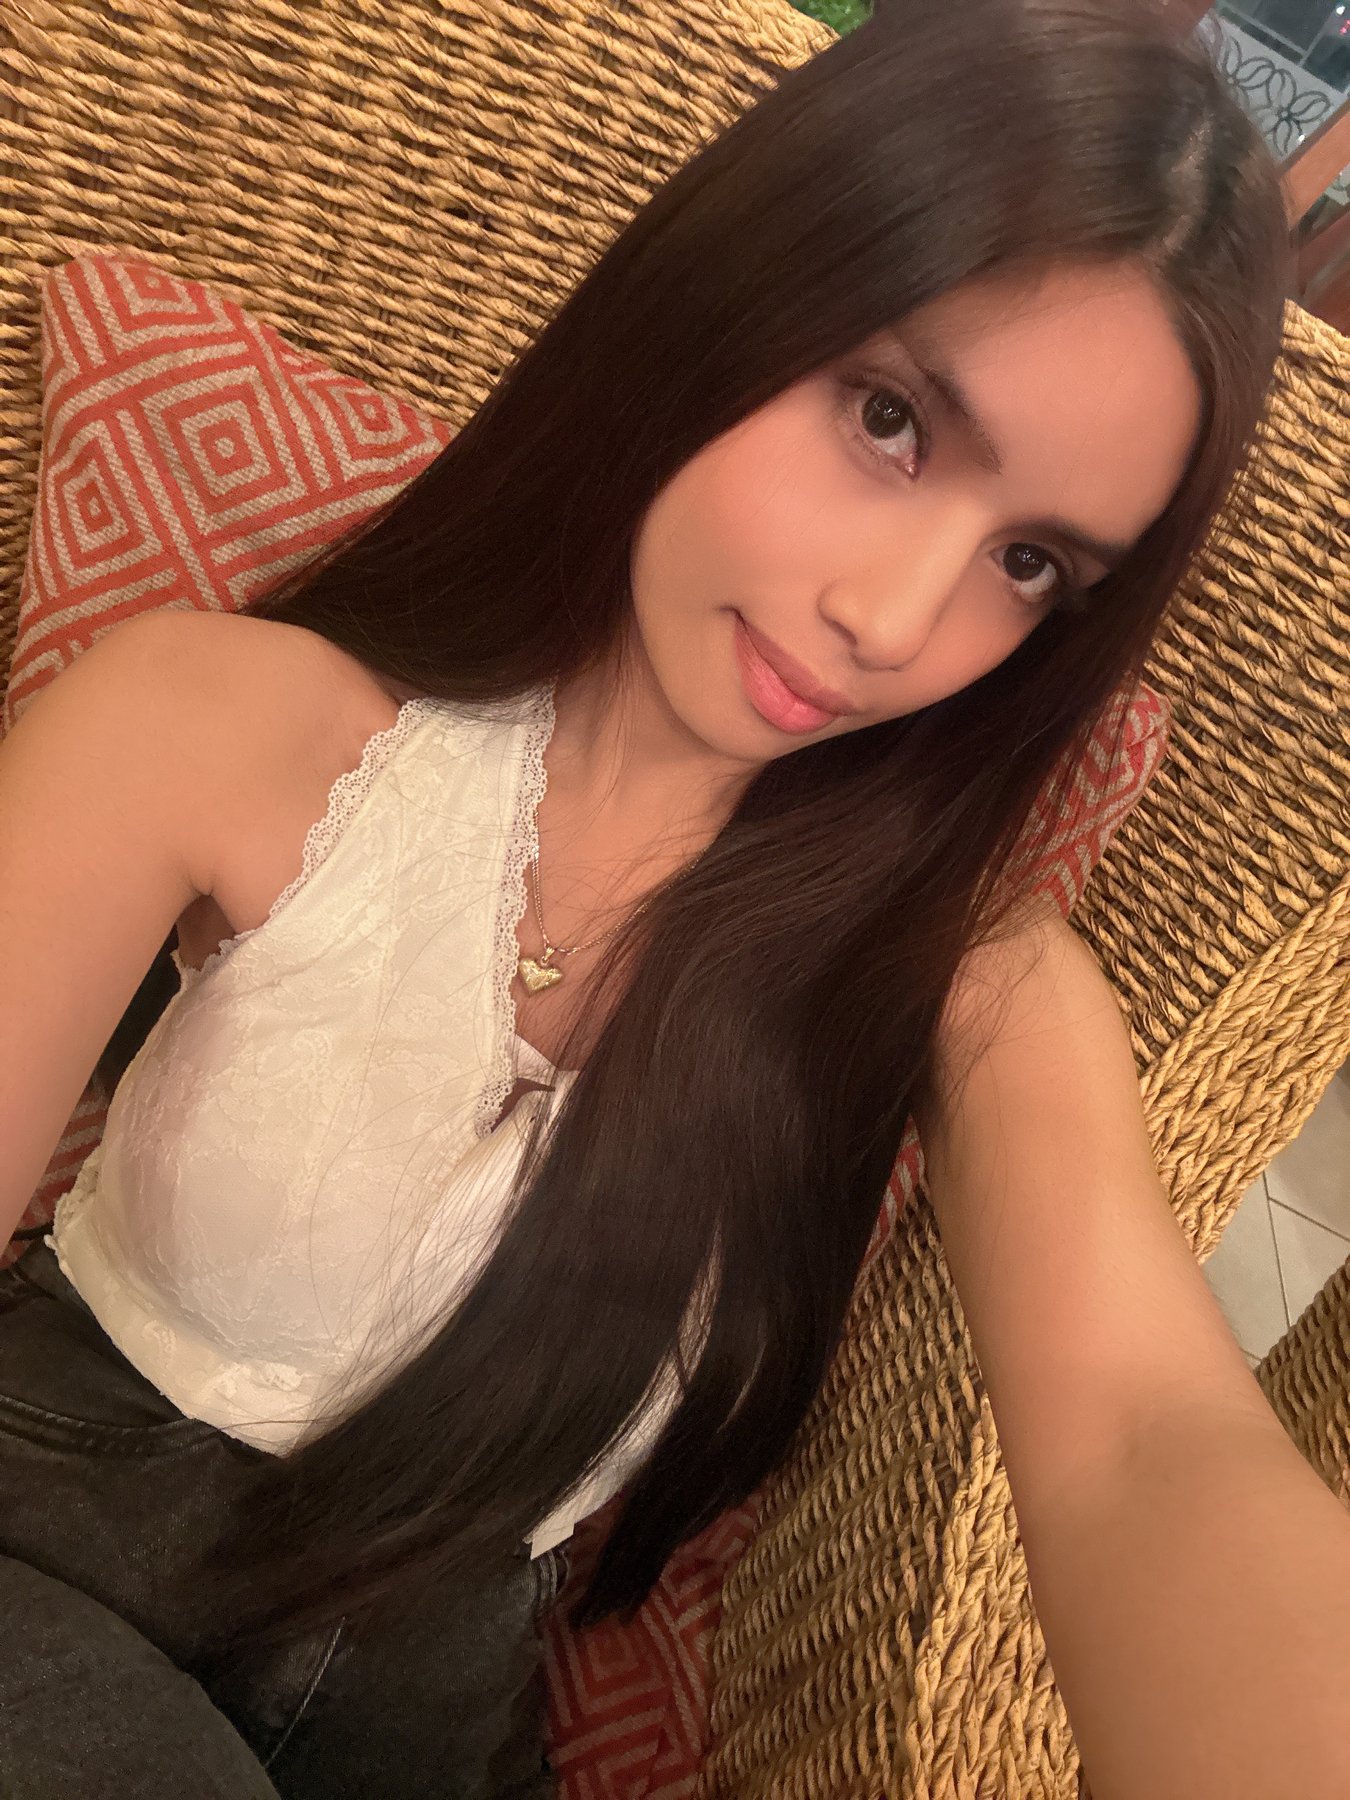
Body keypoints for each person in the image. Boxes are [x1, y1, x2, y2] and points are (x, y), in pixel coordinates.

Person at [2, 0, 1347, 1795]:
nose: (892, 618)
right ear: (731, 298)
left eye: (1028, 562)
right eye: (888, 418)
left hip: (429, 1711)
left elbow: (1139, 1435)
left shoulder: (957, 977)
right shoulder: (216, 720)